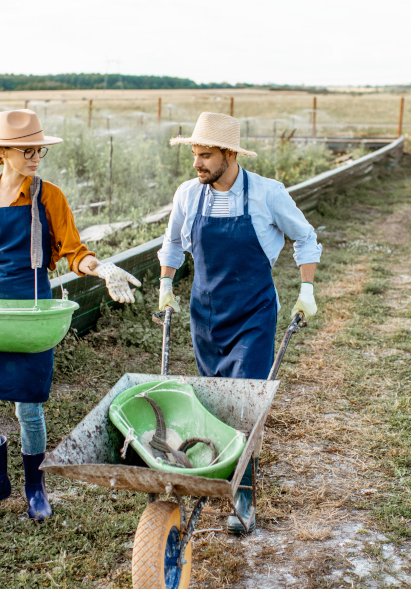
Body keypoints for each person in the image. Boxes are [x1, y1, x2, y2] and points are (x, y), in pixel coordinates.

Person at [0, 109, 141, 520]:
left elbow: (73, 251)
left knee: (28, 408)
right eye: (26, 150)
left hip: (31, 308)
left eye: (39, 150)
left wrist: (100, 267)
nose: (35, 156)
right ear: (1, 152)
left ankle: (36, 489)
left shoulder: (49, 196)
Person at [157, 111, 321, 533]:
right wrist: (165, 285)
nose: (198, 163)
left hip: (252, 314)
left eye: (207, 155)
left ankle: (243, 500)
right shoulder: (189, 196)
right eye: (194, 154)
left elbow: (305, 236)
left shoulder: (267, 194)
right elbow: (173, 243)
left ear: (230, 154)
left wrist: (306, 291)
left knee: (243, 405)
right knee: (212, 404)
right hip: (205, 315)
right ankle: (216, 476)